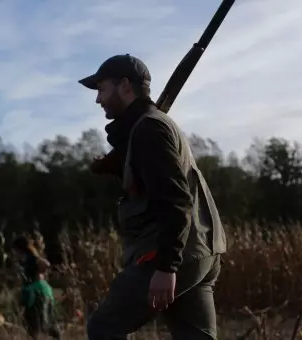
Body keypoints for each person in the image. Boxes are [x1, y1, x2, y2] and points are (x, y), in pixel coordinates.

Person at [78, 54, 227, 339]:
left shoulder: (149, 128)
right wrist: (117, 164)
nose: (98, 99)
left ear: (124, 86)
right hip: (201, 250)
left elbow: (175, 199)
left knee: (103, 328)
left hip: (174, 254)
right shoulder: (151, 126)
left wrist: (166, 266)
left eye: (102, 89)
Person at [11, 234, 63, 339]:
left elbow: (46, 264)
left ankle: (57, 335)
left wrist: (38, 274)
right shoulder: (23, 259)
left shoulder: (32, 257)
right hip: (31, 291)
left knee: (41, 322)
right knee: (30, 322)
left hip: (37, 291)